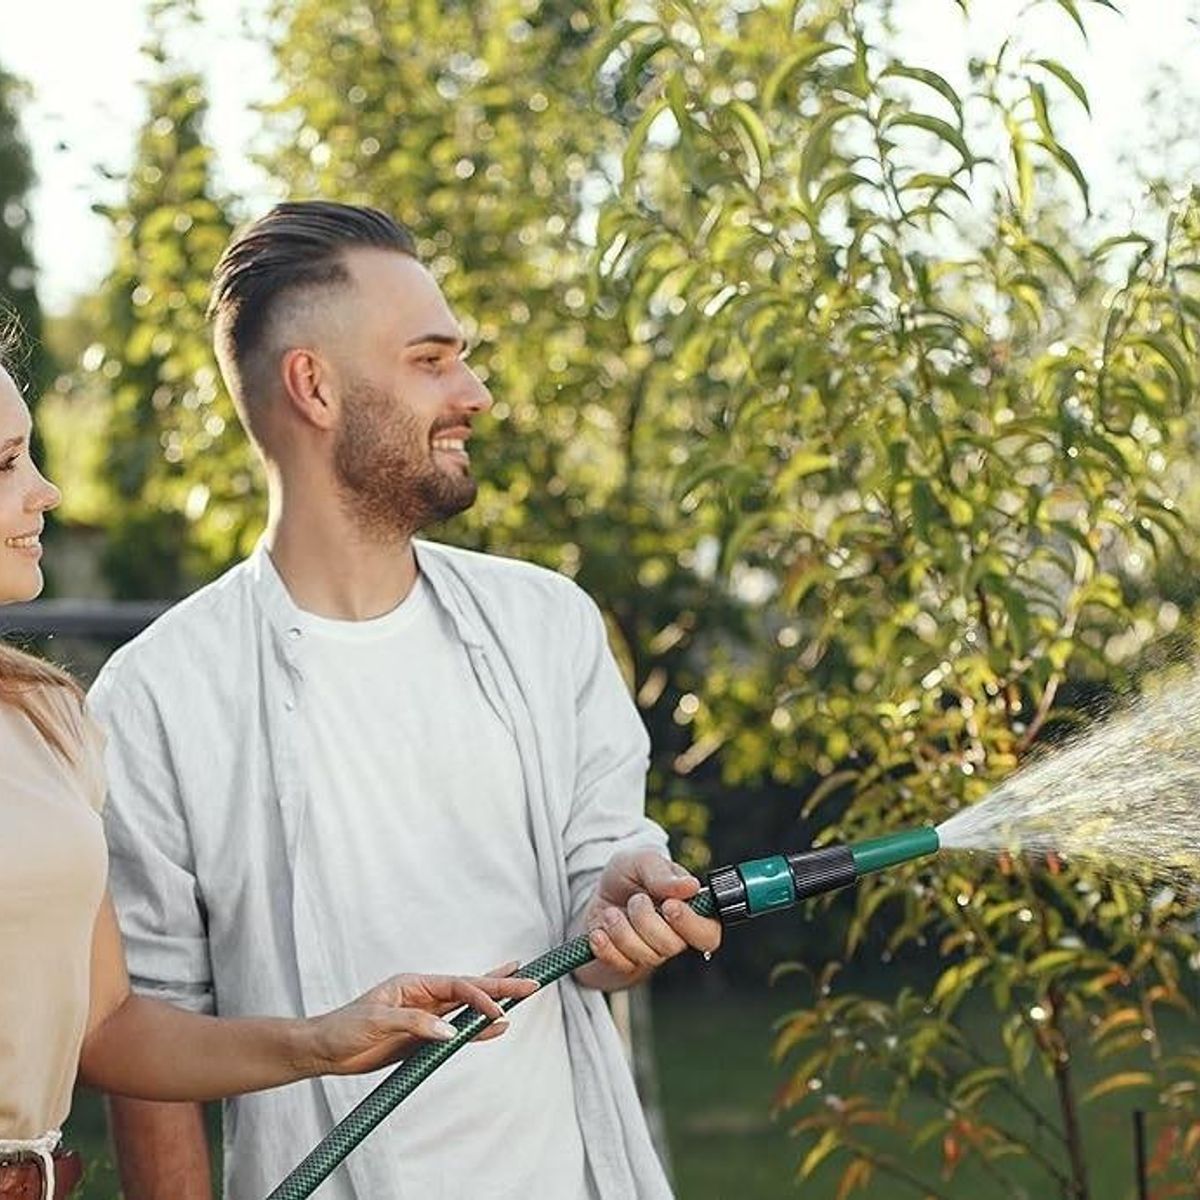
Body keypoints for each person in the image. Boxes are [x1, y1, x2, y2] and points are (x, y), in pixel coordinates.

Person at [92, 201, 723, 1200]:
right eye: (432, 360)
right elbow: (144, 1046)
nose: (473, 391)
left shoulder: (546, 627)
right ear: (316, 386)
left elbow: (598, 910)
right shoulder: (159, 698)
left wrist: (623, 911)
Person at [0, 318, 539, 1200]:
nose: (49, 491)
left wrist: (323, 1039)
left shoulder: (51, 724)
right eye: (6, 465)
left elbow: (108, 1027)